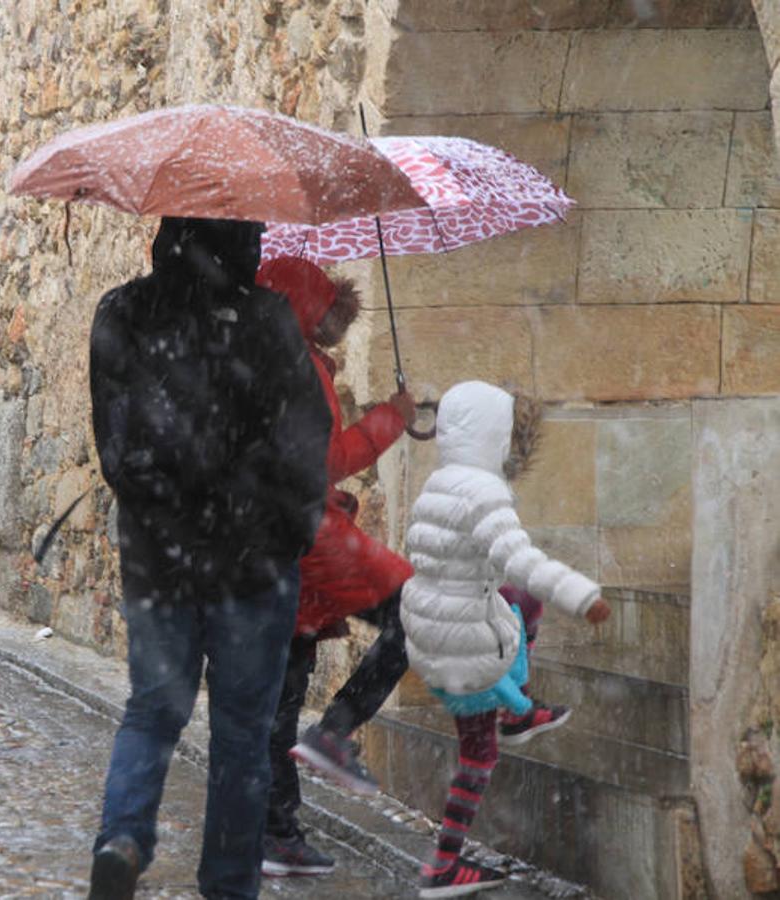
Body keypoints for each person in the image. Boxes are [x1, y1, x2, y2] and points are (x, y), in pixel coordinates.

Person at [86, 217, 332, 900]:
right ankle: (227, 885)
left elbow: (115, 447)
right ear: (244, 244)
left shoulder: (122, 312)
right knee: (242, 736)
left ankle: (123, 838)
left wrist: (169, 511)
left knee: (152, 710)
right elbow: (306, 432)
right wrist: (287, 528)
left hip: (159, 561)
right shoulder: (266, 318)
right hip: (252, 564)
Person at [399, 381, 611, 897]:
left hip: (430, 630)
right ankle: (443, 867)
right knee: (479, 754)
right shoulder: (484, 492)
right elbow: (521, 559)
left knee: (522, 603)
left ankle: (517, 711)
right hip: (463, 646)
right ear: (495, 435)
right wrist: (583, 595)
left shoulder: (440, 482)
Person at [251, 257, 417, 878]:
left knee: (279, 695)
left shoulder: (274, 360)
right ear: (302, 305)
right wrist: (391, 417)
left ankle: (276, 832)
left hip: (273, 542)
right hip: (309, 536)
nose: (332, 318)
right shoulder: (294, 366)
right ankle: (335, 732)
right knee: (415, 612)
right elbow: (322, 460)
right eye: (323, 304)